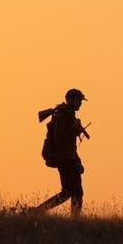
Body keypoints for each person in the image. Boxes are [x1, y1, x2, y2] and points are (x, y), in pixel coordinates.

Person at [37, 88, 88, 217]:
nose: (80, 103)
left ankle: (38, 211)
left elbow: (71, 145)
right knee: (72, 192)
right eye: (78, 100)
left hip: (69, 158)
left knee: (72, 192)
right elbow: (59, 138)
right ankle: (37, 212)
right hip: (64, 159)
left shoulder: (69, 115)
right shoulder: (61, 115)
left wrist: (77, 161)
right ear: (70, 100)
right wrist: (74, 130)